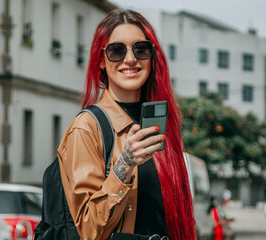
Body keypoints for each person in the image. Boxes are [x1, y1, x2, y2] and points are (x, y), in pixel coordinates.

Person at [57, 9, 196, 240]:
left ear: (152, 57)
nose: (130, 59)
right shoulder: (87, 127)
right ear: (101, 60)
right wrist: (125, 164)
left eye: (141, 49)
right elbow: (90, 231)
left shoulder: (160, 126)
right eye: (117, 50)